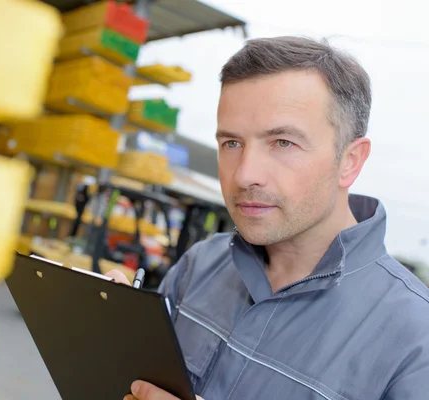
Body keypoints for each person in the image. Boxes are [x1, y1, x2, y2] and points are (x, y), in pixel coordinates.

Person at [108, 36, 429, 400]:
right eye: (231, 143)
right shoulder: (200, 265)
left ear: (350, 161)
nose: (245, 174)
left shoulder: (417, 341)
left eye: (282, 143)